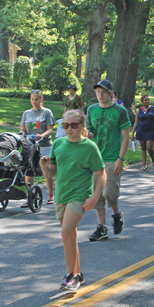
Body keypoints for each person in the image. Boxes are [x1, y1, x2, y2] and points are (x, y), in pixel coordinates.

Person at [40, 110, 106, 291]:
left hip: (80, 195)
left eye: (74, 125)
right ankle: (78, 274)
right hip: (62, 195)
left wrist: (94, 197)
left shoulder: (90, 147)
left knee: (66, 232)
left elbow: (101, 174)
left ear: (82, 126)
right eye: (66, 125)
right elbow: (52, 172)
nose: (69, 129)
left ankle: (71, 275)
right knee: (70, 236)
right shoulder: (58, 144)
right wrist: (45, 168)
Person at [86, 79, 131, 241]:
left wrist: (121, 158)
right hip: (96, 158)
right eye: (97, 92)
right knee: (97, 195)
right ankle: (102, 228)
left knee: (109, 192)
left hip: (113, 157)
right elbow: (88, 131)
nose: (100, 95)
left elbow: (125, 137)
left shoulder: (120, 111)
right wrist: (88, 134)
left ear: (111, 94)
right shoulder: (91, 109)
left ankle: (116, 214)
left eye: (103, 92)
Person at [20, 90, 56, 205]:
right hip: (30, 145)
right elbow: (22, 129)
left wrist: (42, 135)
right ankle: (29, 197)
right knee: (29, 172)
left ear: (41, 100)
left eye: (36, 99)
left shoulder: (46, 112)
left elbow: (50, 129)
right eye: (32, 99)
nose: (34, 101)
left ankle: (51, 195)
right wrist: (22, 135)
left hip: (44, 145)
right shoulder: (26, 113)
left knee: (46, 171)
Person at [131, 95, 154, 171]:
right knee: (143, 148)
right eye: (145, 100)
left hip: (151, 130)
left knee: (149, 148)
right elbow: (136, 122)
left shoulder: (153, 108)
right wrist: (133, 133)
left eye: (148, 99)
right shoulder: (139, 110)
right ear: (142, 101)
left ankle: (153, 160)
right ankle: (144, 166)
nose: (147, 101)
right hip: (141, 130)